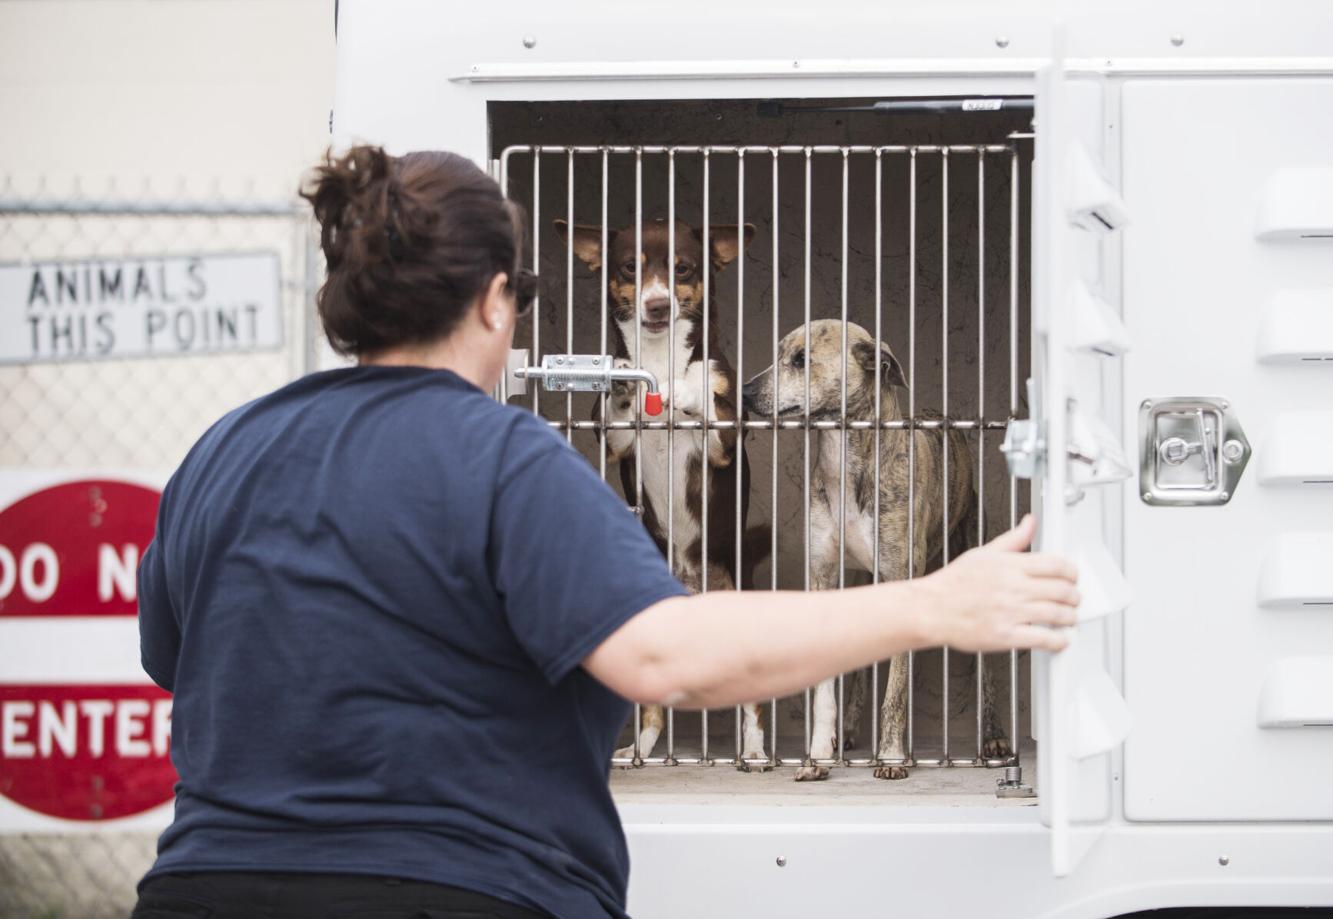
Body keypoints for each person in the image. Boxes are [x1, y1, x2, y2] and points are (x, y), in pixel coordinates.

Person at [131, 146, 1078, 919]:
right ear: (495, 300)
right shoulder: (506, 459)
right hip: (457, 888)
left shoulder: (223, 451)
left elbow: (174, 659)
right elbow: (668, 658)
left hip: (200, 887)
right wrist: (929, 601)